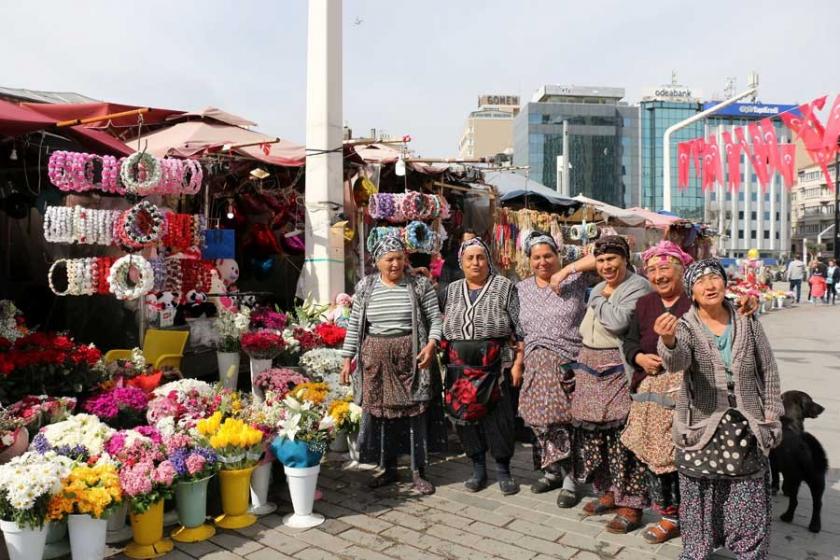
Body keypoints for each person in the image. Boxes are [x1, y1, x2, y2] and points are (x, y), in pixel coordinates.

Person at [657, 259, 783, 560]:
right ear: (692, 291)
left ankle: (748, 552)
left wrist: (771, 415)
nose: (709, 285)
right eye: (700, 281)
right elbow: (677, 363)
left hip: (746, 424)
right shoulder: (685, 326)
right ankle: (696, 551)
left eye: (714, 278)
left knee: (747, 497)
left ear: (724, 283)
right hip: (701, 424)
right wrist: (668, 340)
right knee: (698, 496)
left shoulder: (747, 318)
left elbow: (768, 369)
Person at [340, 236, 445, 494]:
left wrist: (431, 344)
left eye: (399, 258)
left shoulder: (419, 285)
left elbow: (435, 319)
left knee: (414, 415)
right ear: (378, 262)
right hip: (376, 362)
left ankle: (418, 471)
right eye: (389, 259)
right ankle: (388, 469)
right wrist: (346, 359)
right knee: (383, 417)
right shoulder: (366, 286)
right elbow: (355, 324)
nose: (395, 264)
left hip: (411, 360)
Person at [570, 235, 652, 534]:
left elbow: (617, 321)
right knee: (595, 437)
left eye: (611, 259)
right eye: (601, 260)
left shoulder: (637, 286)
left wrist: (595, 296)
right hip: (589, 365)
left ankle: (632, 503)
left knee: (622, 437)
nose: (606, 265)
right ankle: (608, 491)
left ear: (625, 260)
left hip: (617, 367)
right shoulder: (601, 287)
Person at [515, 231, 596, 506]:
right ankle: (551, 471)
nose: (542, 262)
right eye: (536, 257)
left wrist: (567, 271)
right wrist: (517, 363)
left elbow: (604, 259)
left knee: (566, 423)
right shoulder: (522, 288)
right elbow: (519, 332)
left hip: (568, 365)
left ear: (558, 255)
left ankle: (571, 480)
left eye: (548, 255)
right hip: (534, 365)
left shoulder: (575, 280)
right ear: (529, 259)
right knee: (537, 421)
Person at [620, 241, 693, 543]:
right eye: (652, 270)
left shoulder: (693, 304)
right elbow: (629, 341)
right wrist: (638, 357)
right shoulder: (645, 304)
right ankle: (667, 513)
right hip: (648, 392)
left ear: (680, 269)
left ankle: (685, 515)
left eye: (665, 268)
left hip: (682, 392)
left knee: (679, 457)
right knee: (651, 455)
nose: (659, 275)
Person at [441, 237, 525, 495]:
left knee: (499, 417)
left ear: (488, 260)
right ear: (462, 263)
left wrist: (519, 362)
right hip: (459, 367)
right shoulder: (451, 289)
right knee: (464, 417)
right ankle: (477, 467)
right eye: (470, 258)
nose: (476, 263)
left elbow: (519, 328)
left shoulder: (504, 286)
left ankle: (503, 470)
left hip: (495, 365)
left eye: (480, 257)